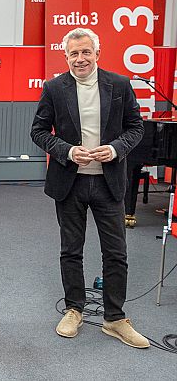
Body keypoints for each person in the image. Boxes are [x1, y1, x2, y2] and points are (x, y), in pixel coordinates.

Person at [30, 27, 149, 348]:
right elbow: (39, 131)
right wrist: (67, 151)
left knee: (116, 252)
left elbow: (135, 127)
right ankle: (74, 309)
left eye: (85, 52)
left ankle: (114, 318)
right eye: (73, 53)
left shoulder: (120, 85)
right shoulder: (54, 88)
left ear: (97, 53)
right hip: (69, 182)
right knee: (71, 250)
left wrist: (115, 149)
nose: (79, 59)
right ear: (65, 56)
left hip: (109, 183)